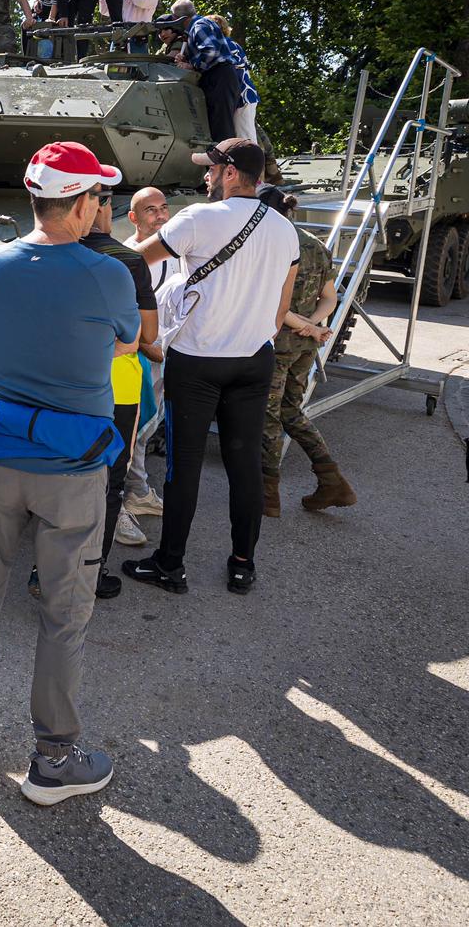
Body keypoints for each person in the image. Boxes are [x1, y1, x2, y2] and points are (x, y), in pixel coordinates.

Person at [0, 141, 137, 806]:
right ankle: (54, 760)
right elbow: (126, 341)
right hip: (71, 466)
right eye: (98, 198)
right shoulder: (105, 272)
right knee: (63, 611)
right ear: (82, 204)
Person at [125, 138, 299, 595]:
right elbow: (282, 310)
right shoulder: (284, 229)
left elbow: (136, 262)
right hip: (253, 360)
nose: (206, 176)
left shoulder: (199, 219)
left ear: (230, 173)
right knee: (244, 465)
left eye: (212, 169)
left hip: (198, 360)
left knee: (183, 467)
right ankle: (243, 564)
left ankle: (170, 564)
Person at [76, 185, 158, 594]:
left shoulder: (53, 254)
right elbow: (148, 332)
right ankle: (92, 570)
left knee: (64, 474)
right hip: (118, 385)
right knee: (108, 480)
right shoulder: (128, 260)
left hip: (65, 380)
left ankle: (46, 568)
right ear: (102, 207)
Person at [262, 190, 355, 516]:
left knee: (268, 418)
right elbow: (330, 297)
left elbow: (273, 300)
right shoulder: (315, 244)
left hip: (277, 344)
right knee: (291, 412)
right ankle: (331, 479)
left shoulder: (271, 245)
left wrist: (302, 324)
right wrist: (312, 325)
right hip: (303, 346)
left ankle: (267, 495)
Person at [121, 186, 173, 519]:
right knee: (135, 430)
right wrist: (147, 346)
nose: (160, 216)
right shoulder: (126, 256)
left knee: (150, 425)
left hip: (167, 352)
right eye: (150, 210)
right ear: (133, 218)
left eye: (163, 208)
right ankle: (131, 494)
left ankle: (137, 487)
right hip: (140, 354)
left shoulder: (174, 251)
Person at [168, 0, 240, 142]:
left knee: (221, 128)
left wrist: (192, 66)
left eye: (173, 17)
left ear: (179, 18)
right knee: (217, 124)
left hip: (219, 76)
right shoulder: (202, 24)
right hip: (220, 75)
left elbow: (211, 51)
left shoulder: (198, 26)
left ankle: (224, 161)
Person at [207, 14, 261, 142]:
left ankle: (253, 162)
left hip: (243, 96)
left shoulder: (225, 45)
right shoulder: (230, 44)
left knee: (245, 140)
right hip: (241, 97)